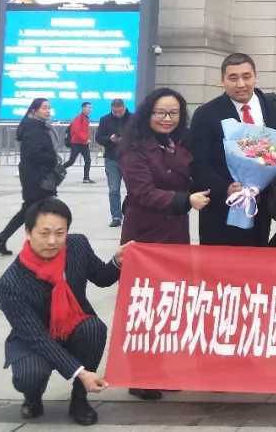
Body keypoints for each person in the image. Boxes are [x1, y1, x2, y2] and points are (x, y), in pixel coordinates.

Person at [0, 198, 130, 425]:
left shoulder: (76, 245)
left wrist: (117, 262)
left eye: (60, 233)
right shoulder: (10, 283)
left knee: (94, 328)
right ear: (28, 232)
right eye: (44, 233)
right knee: (30, 375)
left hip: (72, 326)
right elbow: (37, 337)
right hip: (35, 337)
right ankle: (32, 395)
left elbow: (101, 277)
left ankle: (79, 398)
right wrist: (80, 372)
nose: (52, 241)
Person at [117, 89, 207, 401]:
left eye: (174, 113)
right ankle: (140, 375)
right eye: (160, 113)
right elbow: (143, 193)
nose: (167, 119)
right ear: (148, 114)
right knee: (144, 305)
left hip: (175, 232)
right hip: (145, 235)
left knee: (167, 304)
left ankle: (157, 369)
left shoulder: (176, 143)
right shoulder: (134, 148)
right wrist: (186, 201)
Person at [189, 53, 276, 247]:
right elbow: (199, 163)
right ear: (222, 80)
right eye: (233, 78)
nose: (241, 84)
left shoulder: (274, 107)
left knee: (257, 260)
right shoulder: (206, 114)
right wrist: (226, 188)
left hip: (262, 207)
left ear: (255, 76)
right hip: (222, 210)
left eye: (246, 77)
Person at [0, 99, 61, 256]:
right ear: (34, 110)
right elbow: (35, 153)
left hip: (38, 174)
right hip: (35, 176)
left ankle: (1, 240)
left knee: (29, 210)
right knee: (42, 210)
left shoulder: (40, 126)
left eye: (49, 108)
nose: (48, 111)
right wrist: (53, 160)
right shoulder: (32, 128)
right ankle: (38, 244)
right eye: (44, 108)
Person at [95, 99, 132, 228]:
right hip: (112, 158)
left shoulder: (133, 119)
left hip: (130, 159)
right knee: (114, 189)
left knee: (133, 189)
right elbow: (98, 138)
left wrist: (127, 139)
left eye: (119, 111)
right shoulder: (105, 119)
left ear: (124, 108)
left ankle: (131, 214)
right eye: (114, 111)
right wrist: (109, 139)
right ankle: (116, 216)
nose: (117, 114)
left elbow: (140, 136)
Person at [65, 102, 94, 184]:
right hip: (76, 143)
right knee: (71, 161)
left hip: (84, 144)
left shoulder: (86, 118)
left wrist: (86, 139)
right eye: (89, 107)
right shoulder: (78, 118)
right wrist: (85, 139)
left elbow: (84, 131)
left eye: (91, 108)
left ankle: (86, 178)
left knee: (88, 160)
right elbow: (77, 131)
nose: (90, 109)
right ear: (83, 108)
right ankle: (56, 172)